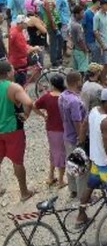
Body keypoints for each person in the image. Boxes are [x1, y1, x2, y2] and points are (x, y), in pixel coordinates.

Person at [76, 88, 107, 226]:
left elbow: (84, 125)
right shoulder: (106, 121)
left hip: (95, 160)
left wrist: (80, 143)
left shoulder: (94, 111)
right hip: (106, 164)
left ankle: (81, 215)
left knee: (90, 186)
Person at [0, 61, 35, 200]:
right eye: (12, 70)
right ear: (8, 72)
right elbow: (29, 103)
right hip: (12, 129)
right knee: (17, 162)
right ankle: (24, 193)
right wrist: (25, 115)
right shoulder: (13, 87)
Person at [34, 74, 67, 188]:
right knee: (61, 154)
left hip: (51, 129)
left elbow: (34, 106)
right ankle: (61, 180)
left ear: (52, 85)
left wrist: (43, 115)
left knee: (53, 152)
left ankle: (51, 176)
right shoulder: (65, 96)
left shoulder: (46, 97)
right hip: (63, 129)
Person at [8, 15, 41, 87]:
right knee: (21, 84)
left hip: (14, 59)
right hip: (19, 62)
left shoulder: (15, 29)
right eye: (25, 23)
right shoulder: (17, 35)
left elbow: (24, 45)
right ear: (20, 23)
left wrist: (30, 47)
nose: (27, 24)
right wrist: (34, 48)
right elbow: (25, 52)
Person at [93, 0, 107, 65]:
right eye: (106, 5)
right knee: (101, 64)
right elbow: (95, 31)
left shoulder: (106, 14)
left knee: (105, 63)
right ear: (102, 5)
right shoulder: (97, 16)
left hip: (106, 42)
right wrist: (102, 44)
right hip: (100, 44)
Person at [70, 5, 88, 74]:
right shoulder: (77, 26)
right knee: (82, 71)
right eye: (82, 13)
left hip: (75, 49)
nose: (83, 15)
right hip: (80, 50)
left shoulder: (72, 23)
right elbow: (80, 40)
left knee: (76, 70)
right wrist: (85, 49)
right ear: (77, 14)